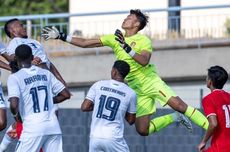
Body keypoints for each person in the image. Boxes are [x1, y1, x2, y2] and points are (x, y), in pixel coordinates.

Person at [42, 9, 209, 136]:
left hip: (150, 81)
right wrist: (61, 36)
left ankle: (212, 128)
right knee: (142, 130)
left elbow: (144, 60)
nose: (126, 18)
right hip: (136, 89)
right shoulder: (116, 38)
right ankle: (175, 118)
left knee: (179, 105)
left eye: (130, 18)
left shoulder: (143, 40)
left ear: (136, 24)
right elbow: (86, 42)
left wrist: (126, 47)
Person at [0, 18, 70, 151]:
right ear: (12, 31)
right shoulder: (15, 43)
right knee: (33, 121)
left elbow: (48, 63)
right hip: (32, 85)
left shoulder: (35, 42)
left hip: (46, 83)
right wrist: (28, 64)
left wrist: (61, 80)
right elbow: (14, 61)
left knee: (49, 117)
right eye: (20, 26)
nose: (23, 27)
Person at [81, 60, 136, 152]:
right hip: (113, 138)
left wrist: (99, 106)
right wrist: (120, 109)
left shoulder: (98, 85)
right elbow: (131, 120)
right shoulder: (130, 93)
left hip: (95, 137)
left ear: (114, 71)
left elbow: (84, 107)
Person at [198, 66, 230, 152]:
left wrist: (203, 142)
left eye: (207, 77)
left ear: (210, 81)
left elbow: (213, 124)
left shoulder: (208, 99)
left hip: (220, 148)